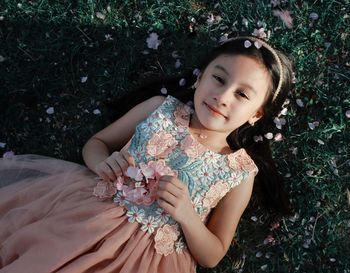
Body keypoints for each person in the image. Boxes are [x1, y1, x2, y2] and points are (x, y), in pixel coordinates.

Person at [0, 35, 294, 273]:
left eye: (242, 94)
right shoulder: (160, 109)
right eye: (218, 79)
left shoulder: (239, 173)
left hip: (151, 261)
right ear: (200, 78)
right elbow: (97, 142)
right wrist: (102, 162)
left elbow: (213, 255)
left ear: (256, 114)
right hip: (89, 218)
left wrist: (188, 218)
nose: (223, 96)